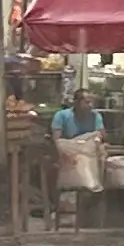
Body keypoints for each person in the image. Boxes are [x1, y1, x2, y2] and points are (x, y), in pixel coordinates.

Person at [50, 80, 105, 230]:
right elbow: (57, 141)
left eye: (91, 102)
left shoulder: (96, 117)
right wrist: (66, 153)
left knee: (98, 173)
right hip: (67, 158)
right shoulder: (61, 116)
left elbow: (101, 137)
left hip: (89, 158)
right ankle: (57, 210)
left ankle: (87, 215)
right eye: (86, 102)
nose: (90, 106)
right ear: (76, 102)